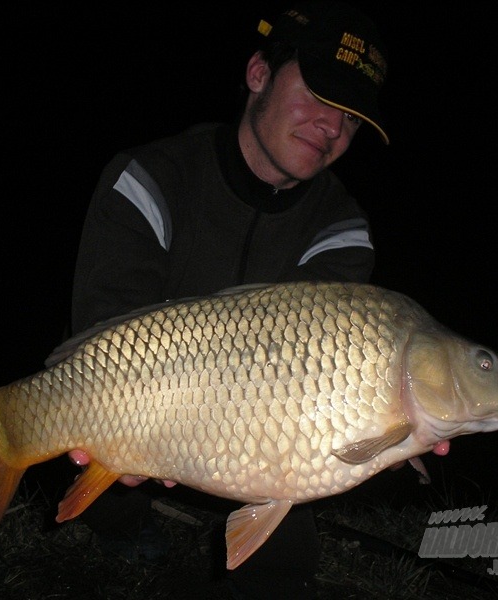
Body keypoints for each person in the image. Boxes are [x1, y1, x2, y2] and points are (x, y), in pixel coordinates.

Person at [65, 1, 390, 597]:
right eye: (319, 94)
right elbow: (103, 333)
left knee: (286, 563)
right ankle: (118, 526)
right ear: (258, 73)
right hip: (144, 405)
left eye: (351, 119)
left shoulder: (341, 227)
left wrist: (384, 426)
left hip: (260, 429)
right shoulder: (149, 178)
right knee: (90, 448)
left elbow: (315, 383)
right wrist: (135, 439)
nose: (332, 129)